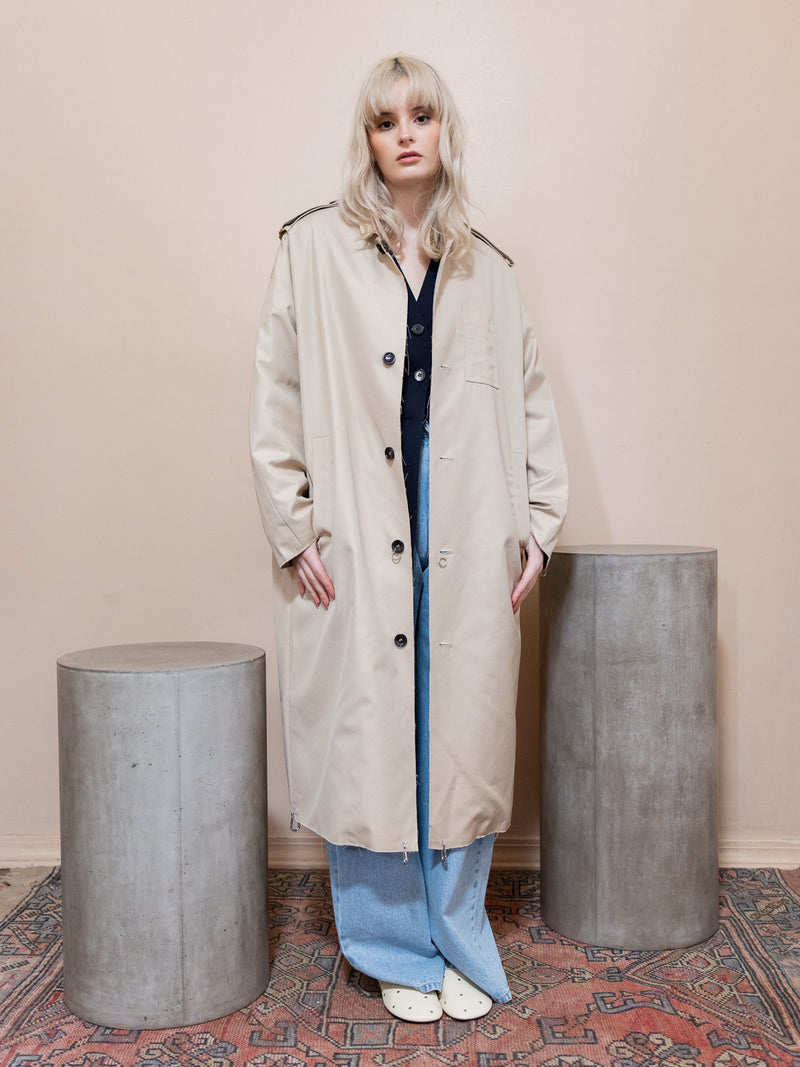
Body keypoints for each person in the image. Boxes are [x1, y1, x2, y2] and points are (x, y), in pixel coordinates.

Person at [250, 55, 568, 1023]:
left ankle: (457, 936)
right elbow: (277, 394)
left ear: (443, 130)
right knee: (371, 732)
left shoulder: (490, 268)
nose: (404, 133)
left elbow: (530, 398)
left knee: (460, 729)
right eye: (385, 120)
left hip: (465, 512)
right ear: (368, 139)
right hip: (360, 511)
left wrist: (538, 525)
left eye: (420, 115)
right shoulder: (310, 248)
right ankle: (393, 945)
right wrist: (292, 526)